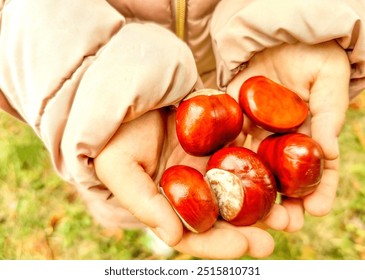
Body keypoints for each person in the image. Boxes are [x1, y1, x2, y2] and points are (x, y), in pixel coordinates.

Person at [0, 0, 364, 259]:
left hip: (237, 58)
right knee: (140, 189)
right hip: (126, 96)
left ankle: (166, 224)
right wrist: (86, 87)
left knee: (162, 187)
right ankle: (153, 228)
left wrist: (310, 17)